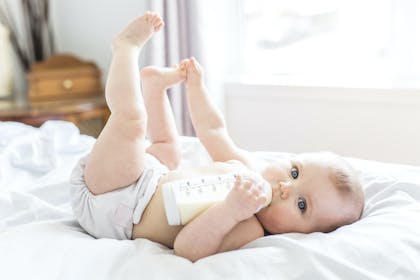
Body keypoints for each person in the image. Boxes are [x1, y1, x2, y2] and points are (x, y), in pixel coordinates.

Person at [70, 12, 364, 262]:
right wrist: (196, 87)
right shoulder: (247, 168)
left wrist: (231, 211)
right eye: (295, 171)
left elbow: (187, 248)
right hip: (147, 176)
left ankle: (125, 48)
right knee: (169, 152)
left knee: (133, 123)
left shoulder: (247, 228)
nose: (286, 187)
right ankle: (155, 89)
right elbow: (212, 130)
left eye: (301, 205)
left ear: (305, 235)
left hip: (111, 202)